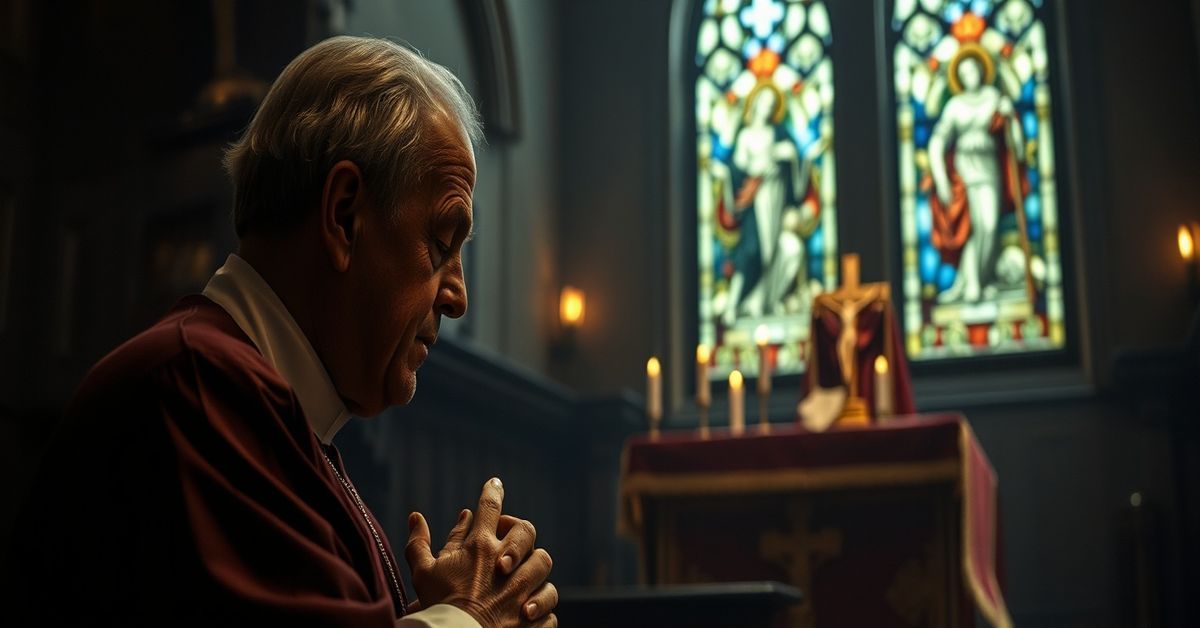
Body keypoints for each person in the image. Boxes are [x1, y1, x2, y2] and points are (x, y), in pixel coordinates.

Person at [3, 36, 556, 627]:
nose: (458, 297)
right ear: (344, 215)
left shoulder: (265, 410)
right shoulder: (196, 388)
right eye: (441, 244)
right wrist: (471, 617)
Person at [927, 44, 1026, 304]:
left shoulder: (994, 97)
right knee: (973, 227)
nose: (969, 76)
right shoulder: (955, 105)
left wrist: (1010, 118)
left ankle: (978, 279)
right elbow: (937, 142)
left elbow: (1016, 144)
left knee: (989, 225)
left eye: (973, 70)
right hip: (963, 170)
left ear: (982, 71)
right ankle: (972, 284)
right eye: (964, 72)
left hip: (988, 165)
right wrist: (941, 179)